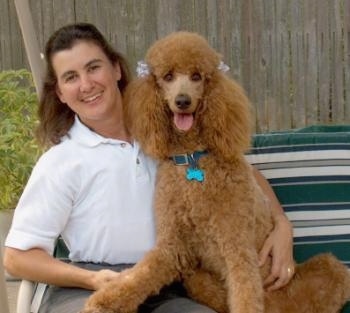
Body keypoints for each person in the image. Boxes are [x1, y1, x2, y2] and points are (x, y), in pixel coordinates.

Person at [3, 23, 294, 313]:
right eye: (71, 77)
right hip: (88, 283)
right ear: (61, 94)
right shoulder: (59, 161)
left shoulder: (169, 133)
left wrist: (281, 225)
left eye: (93, 68)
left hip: (170, 282)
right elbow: (16, 257)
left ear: (116, 69)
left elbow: (239, 171)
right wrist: (90, 278)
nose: (86, 84)